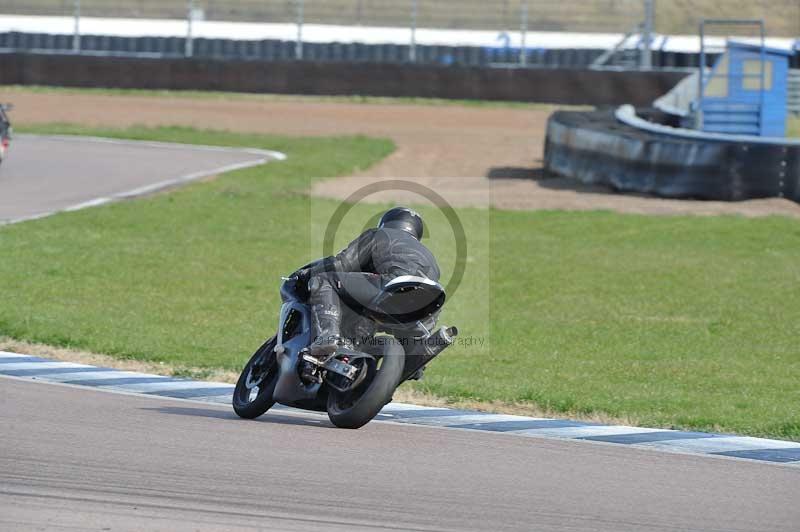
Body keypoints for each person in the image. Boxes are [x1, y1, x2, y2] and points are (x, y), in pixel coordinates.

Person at [293, 206, 441, 358]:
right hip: (424, 309)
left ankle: (327, 336)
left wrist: (307, 274)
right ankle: (412, 362)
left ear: (385, 223)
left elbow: (341, 264)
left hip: (393, 287)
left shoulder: (380, 234)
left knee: (324, 280)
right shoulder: (430, 257)